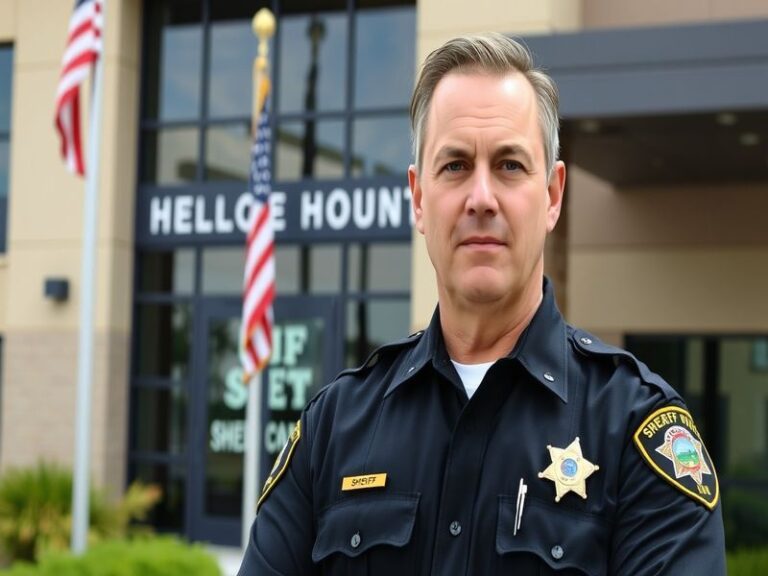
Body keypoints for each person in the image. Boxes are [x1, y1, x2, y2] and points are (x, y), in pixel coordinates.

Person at [238, 33, 726, 575]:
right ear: (419, 197)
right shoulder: (336, 427)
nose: (482, 198)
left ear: (553, 195)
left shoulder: (636, 432)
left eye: (511, 165)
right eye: (455, 165)